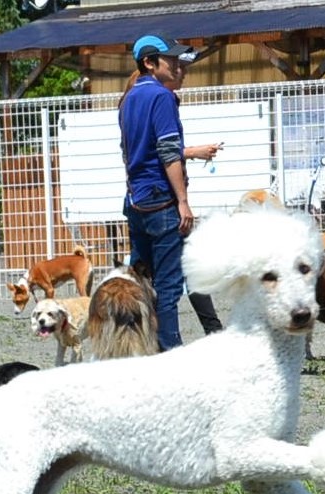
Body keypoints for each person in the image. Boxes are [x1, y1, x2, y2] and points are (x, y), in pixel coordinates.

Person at [119, 34, 223, 350]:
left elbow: (132, 152)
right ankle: (170, 352)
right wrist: (182, 202)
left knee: (143, 281)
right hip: (162, 202)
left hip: (136, 202)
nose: (178, 65)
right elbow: (167, 152)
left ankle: (139, 347)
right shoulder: (161, 98)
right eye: (171, 60)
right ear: (149, 63)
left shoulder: (127, 100)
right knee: (167, 286)